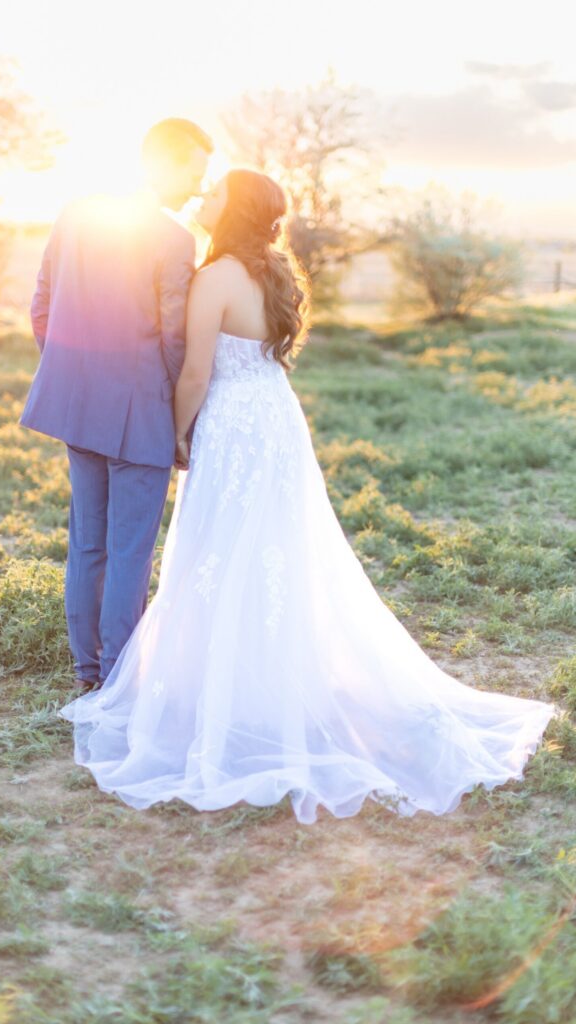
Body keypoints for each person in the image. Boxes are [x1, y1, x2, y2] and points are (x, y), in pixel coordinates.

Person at [58, 168, 557, 825]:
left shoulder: (215, 278)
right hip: (276, 420)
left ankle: (232, 689)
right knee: (274, 545)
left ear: (233, 208)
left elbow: (197, 371)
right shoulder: (278, 274)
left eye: (215, 193)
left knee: (222, 544)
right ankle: (267, 677)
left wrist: (176, 433)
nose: (203, 198)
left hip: (234, 423)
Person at [20, 119, 213, 692]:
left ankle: (88, 673)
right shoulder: (174, 241)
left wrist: (76, 376)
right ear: (167, 161)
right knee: (130, 550)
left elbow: (41, 307)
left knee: (88, 541)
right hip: (142, 413)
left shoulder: (75, 216)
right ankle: (119, 679)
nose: (198, 189)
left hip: (78, 406)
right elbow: (177, 341)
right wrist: (183, 420)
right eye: (195, 173)